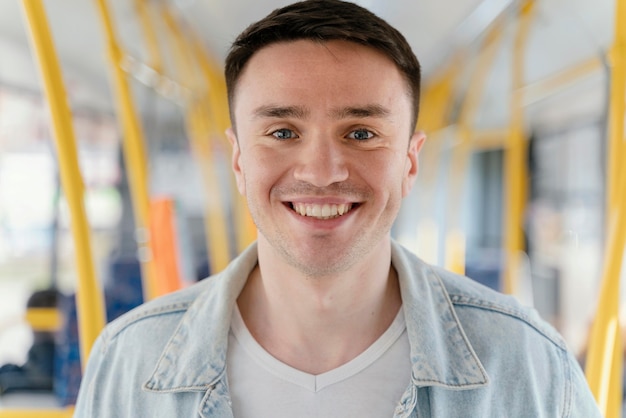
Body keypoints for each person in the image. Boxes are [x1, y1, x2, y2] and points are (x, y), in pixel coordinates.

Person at [74, 0, 602, 416]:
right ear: (238, 160)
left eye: (362, 133)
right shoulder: (130, 362)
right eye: (282, 132)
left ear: (410, 162)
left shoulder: (527, 366)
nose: (322, 171)